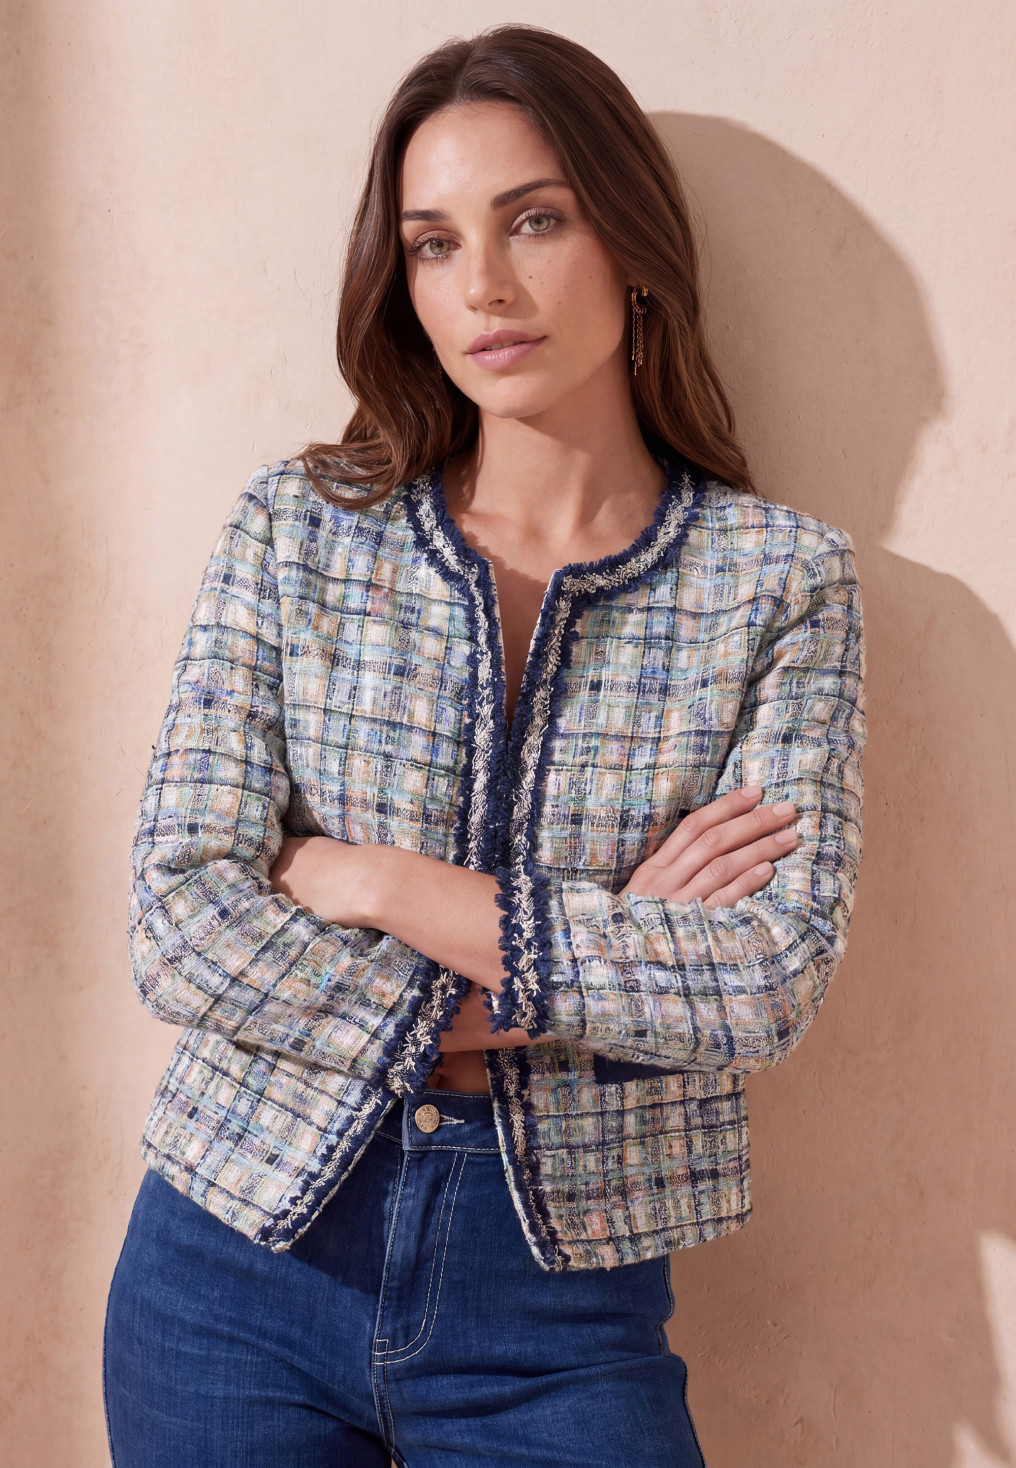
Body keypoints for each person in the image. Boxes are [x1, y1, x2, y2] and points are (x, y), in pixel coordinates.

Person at [102, 23, 866, 1468]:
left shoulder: (776, 583)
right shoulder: (299, 530)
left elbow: (764, 978)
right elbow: (178, 921)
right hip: (232, 1269)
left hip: (559, 1314)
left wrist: (374, 878)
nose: (484, 288)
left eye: (535, 221)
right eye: (434, 243)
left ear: (632, 242)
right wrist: (608, 949)